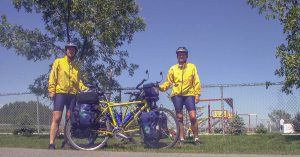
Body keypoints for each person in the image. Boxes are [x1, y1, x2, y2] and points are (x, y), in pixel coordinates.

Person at [48, 42, 88, 150]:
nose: (71, 51)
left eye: (73, 49)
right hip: (61, 92)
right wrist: (52, 90)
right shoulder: (59, 62)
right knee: (56, 117)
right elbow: (53, 76)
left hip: (72, 95)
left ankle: (66, 142)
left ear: (75, 52)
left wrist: (84, 88)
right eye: (69, 49)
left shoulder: (76, 67)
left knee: (69, 119)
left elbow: (79, 81)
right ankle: (51, 143)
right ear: (66, 51)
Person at [159, 46, 201, 145]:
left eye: (183, 54)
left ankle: (196, 138)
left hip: (189, 94)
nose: (181, 55)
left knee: (193, 116)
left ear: (186, 56)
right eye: (179, 54)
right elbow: (168, 83)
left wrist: (197, 94)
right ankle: (181, 139)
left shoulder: (192, 67)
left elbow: (196, 81)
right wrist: (160, 88)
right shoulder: (172, 69)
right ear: (177, 56)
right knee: (179, 117)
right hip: (177, 95)